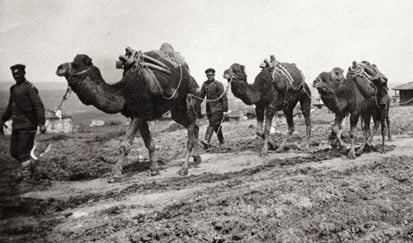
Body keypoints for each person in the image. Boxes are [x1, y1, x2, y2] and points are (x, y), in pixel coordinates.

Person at [0, 64, 47, 180]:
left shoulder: (29, 88)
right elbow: (10, 108)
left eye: (18, 73)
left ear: (24, 73)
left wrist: (41, 123)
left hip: (28, 125)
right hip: (17, 126)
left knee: (23, 153)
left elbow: (38, 105)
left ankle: (26, 178)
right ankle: (32, 169)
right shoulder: (14, 89)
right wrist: (2, 119)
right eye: (14, 74)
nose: (16, 76)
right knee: (13, 152)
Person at [199, 68, 228, 148]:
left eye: (211, 75)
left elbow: (224, 98)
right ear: (206, 76)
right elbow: (201, 96)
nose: (209, 76)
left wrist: (225, 110)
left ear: (214, 75)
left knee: (212, 123)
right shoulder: (205, 84)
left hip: (218, 109)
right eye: (208, 75)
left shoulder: (218, 84)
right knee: (216, 126)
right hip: (209, 110)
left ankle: (206, 140)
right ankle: (222, 141)